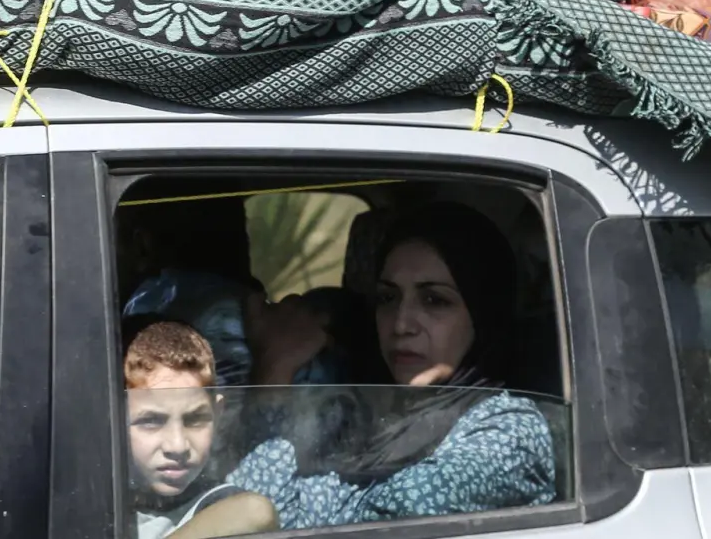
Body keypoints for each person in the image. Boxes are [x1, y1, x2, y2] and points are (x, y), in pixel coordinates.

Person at [229, 202, 555, 530]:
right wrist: (276, 366)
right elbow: (232, 503)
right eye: (388, 298)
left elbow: (365, 527)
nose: (401, 324)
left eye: (434, 301)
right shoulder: (367, 409)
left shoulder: (508, 436)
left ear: (484, 316)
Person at [124, 320, 277, 539]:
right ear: (112, 419)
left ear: (218, 413)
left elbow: (256, 513)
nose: (178, 445)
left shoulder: (219, 506)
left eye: (196, 420)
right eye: (151, 421)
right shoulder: (88, 498)